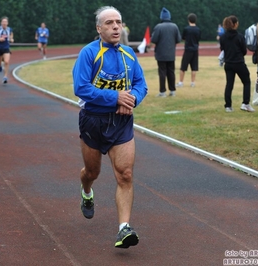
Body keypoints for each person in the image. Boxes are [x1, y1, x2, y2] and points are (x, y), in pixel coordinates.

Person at [72, 6, 148, 249]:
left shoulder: (129, 54)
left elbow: (140, 84)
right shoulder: (89, 53)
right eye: (109, 23)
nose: (116, 27)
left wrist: (132, 99)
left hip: (121, 123)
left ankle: (123, 228)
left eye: (118, 22)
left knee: (125, 174)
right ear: (99, 28)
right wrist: (115, 97)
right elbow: (81, 88)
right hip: (93, 121)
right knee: (92, 172)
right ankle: (86, 191)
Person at [219, 15, 255, 112]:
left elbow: (222, 49)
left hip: (228, 63)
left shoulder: (223, 37)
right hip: (239, 62)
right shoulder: (239, 36)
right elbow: (244, 50)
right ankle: (245, 103)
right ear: (235, 24)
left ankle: (228, 106)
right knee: (246, 82)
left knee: (229, 84)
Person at [150, 7, 181, 97]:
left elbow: (154, 39)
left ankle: (162, 92)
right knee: (171, 72)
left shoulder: (158, 27)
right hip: (171, 53)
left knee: (162, 72)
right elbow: (178, 39)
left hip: (161, 54)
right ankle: (172, 90)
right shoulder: (175, 26)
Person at [176, 13, 201, 88]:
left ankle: (181, 82)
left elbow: (183, 38)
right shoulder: (198, 29)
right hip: (195, 50)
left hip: (187, 50)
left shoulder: (186, 29)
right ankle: (192, 82)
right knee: (194, 67)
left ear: (188, 20)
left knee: (183, 67)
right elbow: (198, 39)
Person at [0, 16, 14, 84]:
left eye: (5, 22)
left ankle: (5, 77)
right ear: (1, 23)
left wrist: (11, 39)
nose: (4, 23)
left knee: (6, 62)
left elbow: (11, 35)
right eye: (3, 22)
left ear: (7, 23)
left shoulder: (9, 29)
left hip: (6, 47)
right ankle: (0, 65)